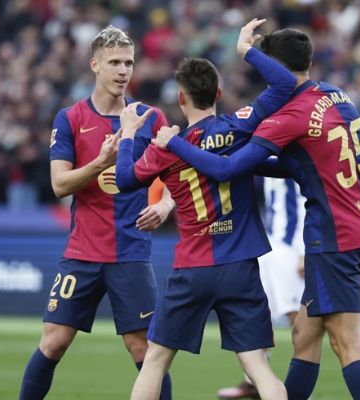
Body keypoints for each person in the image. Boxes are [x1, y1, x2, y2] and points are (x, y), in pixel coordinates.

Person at [152, 28, 360, 400]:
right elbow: (301, 166)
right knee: (304, 336)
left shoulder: (289, 115)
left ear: (273, 66)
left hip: (334, 236)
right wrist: (250, 161)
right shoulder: (336, 95)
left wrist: (178, 144)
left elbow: (226, 171)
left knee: (347, 342)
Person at [115, 18, 294, 400]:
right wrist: (248, 51)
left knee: (157, 359)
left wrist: (128, 134)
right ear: (218, 92)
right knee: (257, 365)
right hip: (240, 264)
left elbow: (126, 179)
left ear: (181, 99)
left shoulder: (165, 148)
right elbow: (284, 85)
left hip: (193, 266)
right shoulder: (239, 126)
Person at [18, 25, 174, 400]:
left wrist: (165, 204)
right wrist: (100, 162)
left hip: (130, 253)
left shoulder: (149, 118)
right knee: (53, 342)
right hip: (82, 253)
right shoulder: (70, 119)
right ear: (94, 65)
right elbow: (59, 185)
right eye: (115, 62)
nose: (124, 71)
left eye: (129, 63)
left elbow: (175, 173)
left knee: (144, 352)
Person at [217, 176, 306, 400]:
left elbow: (308, 194)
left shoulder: (293, 145)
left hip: (292, 244)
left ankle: (303, 390)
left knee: (298, 320)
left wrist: (304, 249)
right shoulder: (268, 146)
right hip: (272, 241)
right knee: (259, 314)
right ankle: (254, 382)